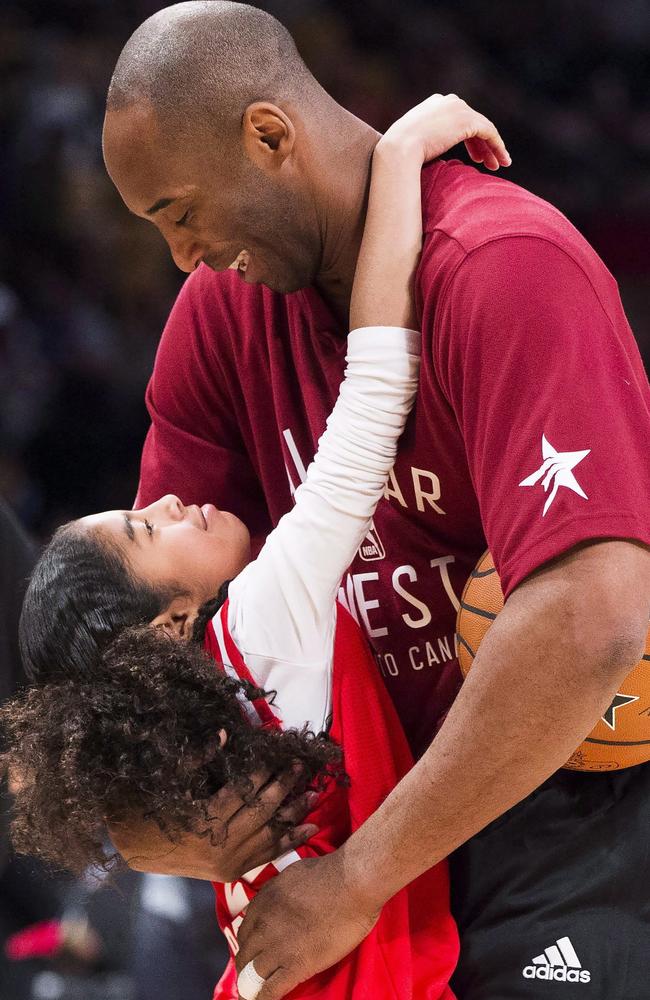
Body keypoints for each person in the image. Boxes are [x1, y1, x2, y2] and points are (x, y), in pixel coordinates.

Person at [96, 5, 650, 998]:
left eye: (179, 212)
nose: (179, 254)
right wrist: (185, 819)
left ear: (268, 136)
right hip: (358, 826)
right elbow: (145, 653)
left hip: (556, 810)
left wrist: (356, 876)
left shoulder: (505, 265)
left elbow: (592, 615)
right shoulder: (222, 316)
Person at [3, 102, 506, 998]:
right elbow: (377, 387)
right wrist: (392, 160)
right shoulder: (261, 623)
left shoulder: (188, 731)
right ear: (168, 627)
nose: (162, 501)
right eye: (144, 530)